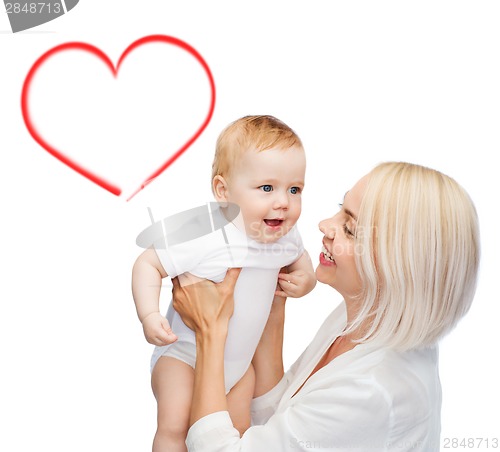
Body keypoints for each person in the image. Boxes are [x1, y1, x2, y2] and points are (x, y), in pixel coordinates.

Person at [172, 161, 480, 451]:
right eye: (340, 209)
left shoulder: (372, 390)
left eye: (350, 228)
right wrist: (272, 303)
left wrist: (210, 331)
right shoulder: (368, 317)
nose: (324, 225)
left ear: (398, 267)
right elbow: (281, 418)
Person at [132, 115, 317, 451]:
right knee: (175, 427)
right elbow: (148, 262)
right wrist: (148, 315)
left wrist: (305, 282)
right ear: (223, 191)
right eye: (266, 188)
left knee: (238, 433)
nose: (283, 202)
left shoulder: (285, 236)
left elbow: (303, 265)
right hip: (184, 356)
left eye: (295, 189)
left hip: (239, 366)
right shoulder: (205, 230)